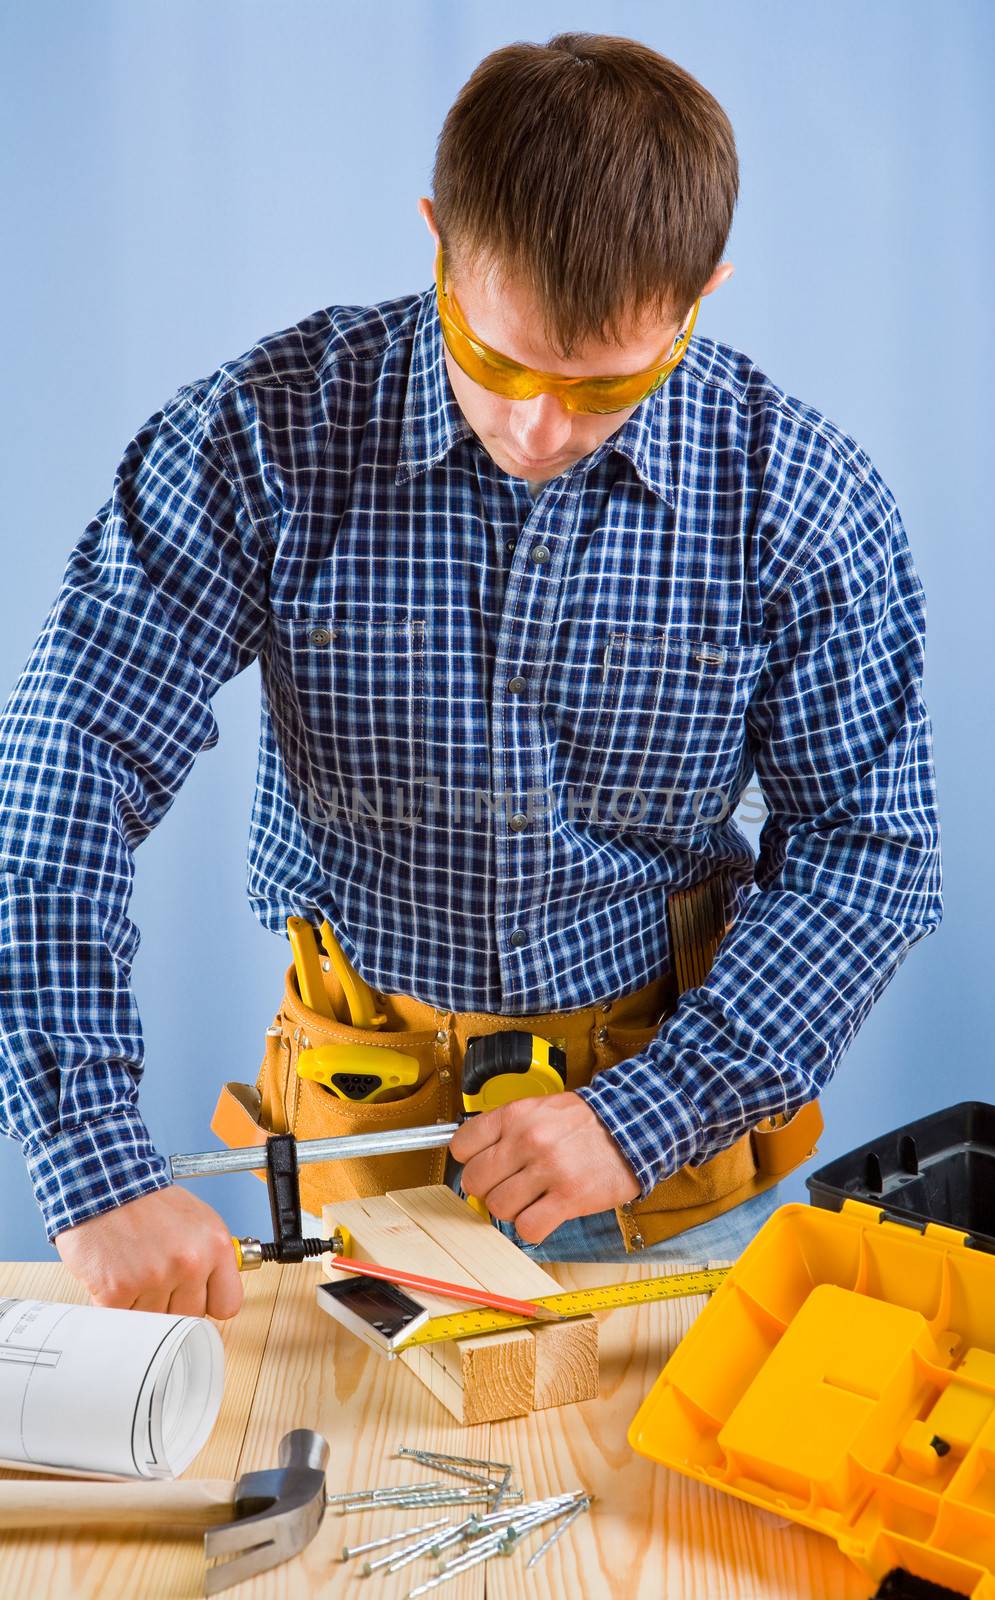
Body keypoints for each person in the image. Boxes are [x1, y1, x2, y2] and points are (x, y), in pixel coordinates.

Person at [0, 33, 942, 1320]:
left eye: (607, 383)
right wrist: (91, 1156)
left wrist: (647, 1110)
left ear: (699, 294)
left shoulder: (799, 497)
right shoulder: (265, 437)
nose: (537, 430)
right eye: (496, 363)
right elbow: (70, 750)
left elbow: (869, 848)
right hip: (357, 1164)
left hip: (669, 1166)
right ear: (437, 239)